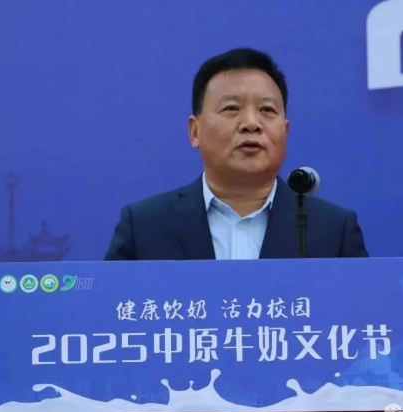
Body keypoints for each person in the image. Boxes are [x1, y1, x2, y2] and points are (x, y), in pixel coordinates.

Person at [104, 48, 368, 261]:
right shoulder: (144, 226)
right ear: (195, 131)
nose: (251, 123)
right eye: (231, 108)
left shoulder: (334, 230)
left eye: (267, 110)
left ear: (285, 131)